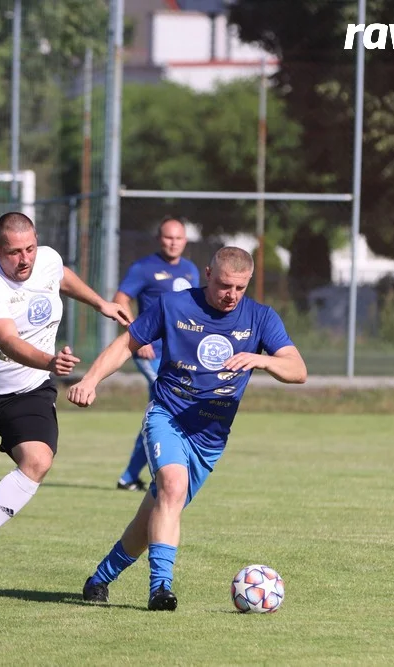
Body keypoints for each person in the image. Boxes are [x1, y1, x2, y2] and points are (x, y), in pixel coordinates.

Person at [67, 246, 307, 611]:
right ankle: (160, 589)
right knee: (173, 488)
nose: (232, 295)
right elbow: (126, 344)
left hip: (210, 438)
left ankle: (100, 578)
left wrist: (261, 359)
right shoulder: (174, 305)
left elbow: (297, 370)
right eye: (226, 285)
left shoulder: (260, 318)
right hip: (168, 415)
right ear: (208, 274)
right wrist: (91, 380)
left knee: (154, 514)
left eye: (241, 288)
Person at [0, 211, 131, 598]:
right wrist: (50, 361)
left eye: (30, 248)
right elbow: (7, 341)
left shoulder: (46, 260)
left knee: (37, 461)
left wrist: (99, 303)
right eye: (14, 252)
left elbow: (61, 275)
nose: (25, 260)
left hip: (29, 389)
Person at [112, 216, 199, 491]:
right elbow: (120, 300)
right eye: (168, 237)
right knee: (170, 406)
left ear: (185, 241)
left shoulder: (190, 270)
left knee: (161, 411)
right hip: (152, 354)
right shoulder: (144, 268)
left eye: (179, 238)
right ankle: (156, 473)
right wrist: (139, 335)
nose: (173, 243)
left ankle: (129, 477)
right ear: (159, 239)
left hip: (178, 355)